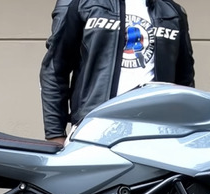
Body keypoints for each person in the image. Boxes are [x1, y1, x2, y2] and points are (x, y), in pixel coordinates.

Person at [40, 0, 195, 144]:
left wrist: (186, 132)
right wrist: (55, 135)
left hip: (155, 132)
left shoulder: (172, 12)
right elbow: (55, 68)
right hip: (94, 130)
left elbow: (184, 82)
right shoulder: (81, 3)